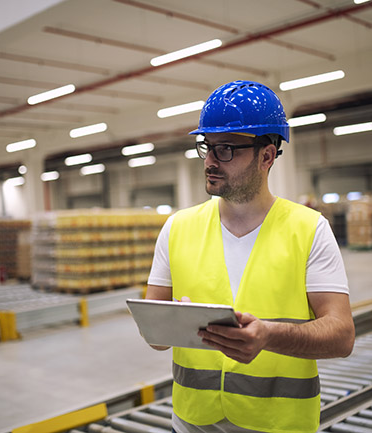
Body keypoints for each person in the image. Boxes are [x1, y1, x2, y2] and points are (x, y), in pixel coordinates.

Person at [145, 80, 355, 433]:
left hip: (279, 424)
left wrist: (269, 335)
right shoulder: (177, 228)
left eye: (225, 149)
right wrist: (176, 323)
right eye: (207, 147)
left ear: (266, 156)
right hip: (194, 421)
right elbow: (155, 336)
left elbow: (341, 335)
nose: (210, 161)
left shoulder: (309, 229)